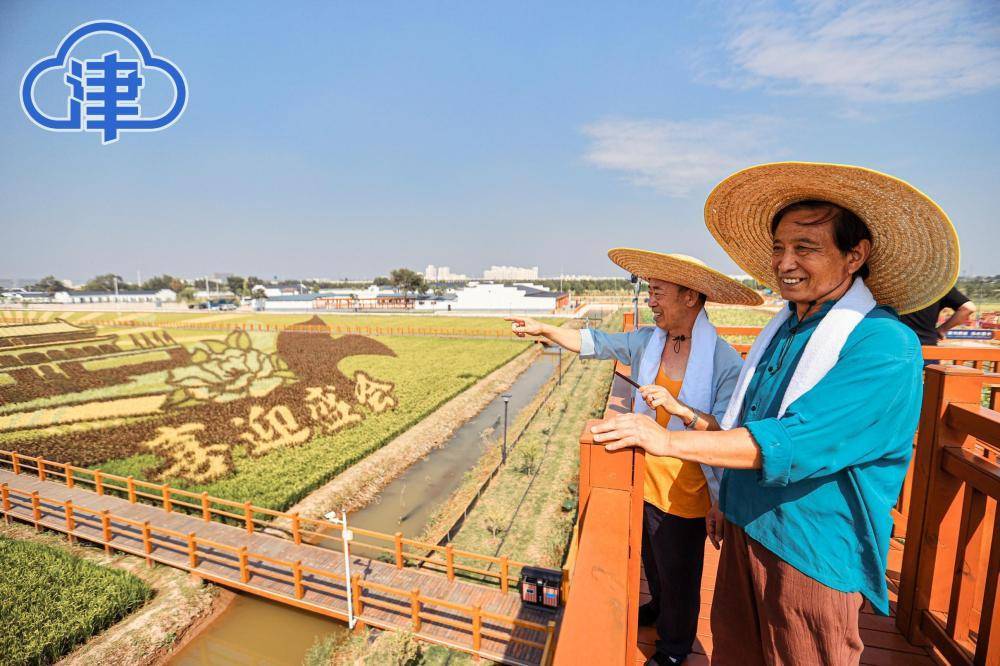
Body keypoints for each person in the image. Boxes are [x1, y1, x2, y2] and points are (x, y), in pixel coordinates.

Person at [590, 162, 960, 664]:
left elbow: (795, 440)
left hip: (810, 549)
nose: (786, 263)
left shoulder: (883, 344)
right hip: (746, 525)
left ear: (855, 255)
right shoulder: (787, 329)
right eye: (779, 248)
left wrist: (667, 439)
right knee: (736, 652)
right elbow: (743, 422)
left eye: (806, 248)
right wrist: (723, 498)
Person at [507, 250, 762, 666]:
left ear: (690, 297)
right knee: (654, 562)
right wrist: (546, 329)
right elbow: (595, 343)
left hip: (686, 490)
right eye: (649, 292)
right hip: (641, 477)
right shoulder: (648, 341)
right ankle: (658, 609)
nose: (651, 301)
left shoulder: (724, 361)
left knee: (680, 575)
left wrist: (680, 410)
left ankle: (675, 649)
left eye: (658, 292)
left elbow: (725, 431)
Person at [900, 285, 976, 355]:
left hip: (897, 348)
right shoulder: (938, 286)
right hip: (928, 350)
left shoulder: (895, 286)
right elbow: (969, 307)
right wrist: (942, 329)